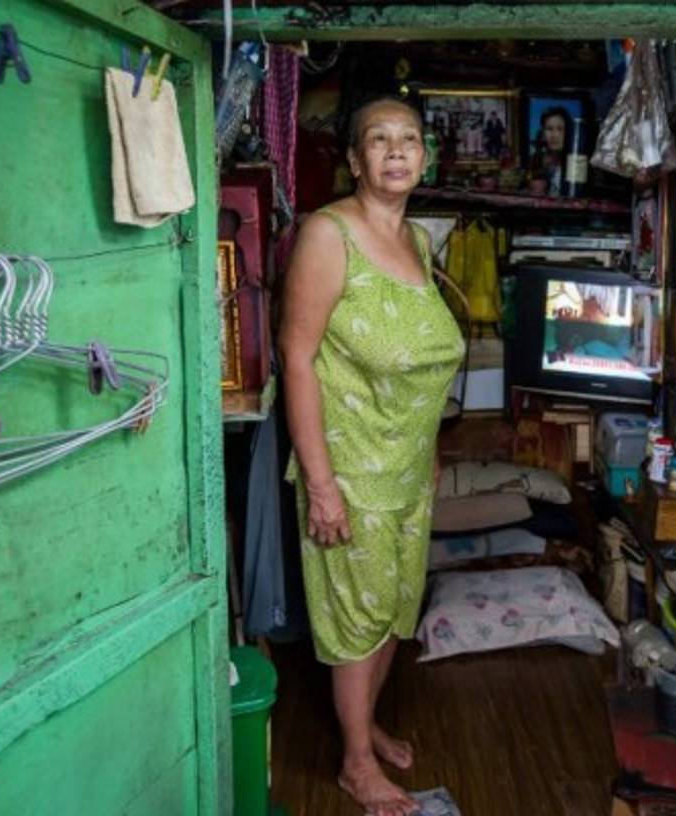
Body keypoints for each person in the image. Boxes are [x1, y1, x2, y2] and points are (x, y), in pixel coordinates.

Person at [279, 96, 465, 816]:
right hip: (350, 469)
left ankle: (366, 723)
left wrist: (430, 453)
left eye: (409, 139)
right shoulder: (329, 236)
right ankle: (356, 762)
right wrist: (321, 485)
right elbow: (297, 359)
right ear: (355, 161)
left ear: (423, 157)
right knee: (356, 617)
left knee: (394, 607)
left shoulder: (416, 240)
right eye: (378, 140)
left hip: (407, 467)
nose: (396, 151)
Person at [528, 106, 571, 195]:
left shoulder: (574, 163)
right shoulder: (534, 160)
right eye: (549, 129)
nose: (554, 135)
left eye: (560, 129)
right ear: (543, 133)